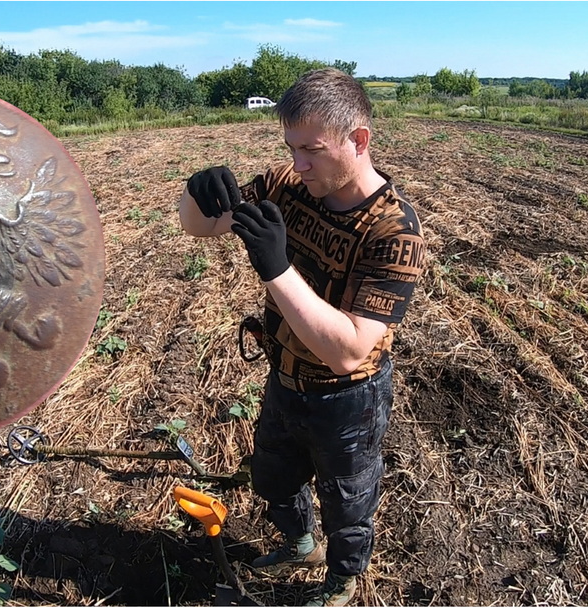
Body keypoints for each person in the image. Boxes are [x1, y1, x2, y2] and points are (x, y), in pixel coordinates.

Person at [177, 68, 425, 607]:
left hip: (347, 398)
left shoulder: (393, 230)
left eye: (311, 150)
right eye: (291, 148)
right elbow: (200, 226)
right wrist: (197, 195)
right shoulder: (289, 185)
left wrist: (276, 268)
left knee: (348, 502)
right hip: (284, 374)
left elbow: (351, 350)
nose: (298, 164)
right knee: (272, 478)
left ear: (358, 141)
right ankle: (300, 543)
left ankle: (340, 579)